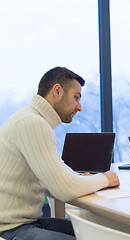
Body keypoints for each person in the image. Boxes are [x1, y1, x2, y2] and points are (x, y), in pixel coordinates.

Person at [0, 67, 120, 240]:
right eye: (76, 98)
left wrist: (82, 180)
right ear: (57, 91)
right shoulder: (33, 123)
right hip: (12, 230)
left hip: (22, 224)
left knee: (97, 233)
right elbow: (63, 189)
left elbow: (52, 178)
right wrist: (105, 179)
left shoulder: (29, 119)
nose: (79, 107)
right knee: (97, 234)